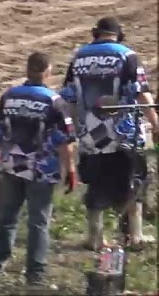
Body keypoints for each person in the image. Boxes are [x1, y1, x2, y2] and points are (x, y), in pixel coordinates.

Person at [60, 17, 158, 250]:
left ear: (96, 33)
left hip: (90, 137)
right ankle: (135, 236)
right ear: (118, 34)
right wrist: (155, 122)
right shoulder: (127, 56)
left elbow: (69, 97)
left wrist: (72, 129)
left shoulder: (78, 57)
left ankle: (95, 237)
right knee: (134, 181)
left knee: (95, 183)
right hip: (124, 135)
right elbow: (141, 93)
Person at [0, 51, 77, 288]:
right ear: (47, 72)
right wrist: (71, 171)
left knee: (7, 218)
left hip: (12, 166)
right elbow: (65, 141)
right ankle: (35, 274)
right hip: (41, 171)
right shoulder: (55, 102)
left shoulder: (9, 97)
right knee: (38, 222)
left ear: (26, 70)